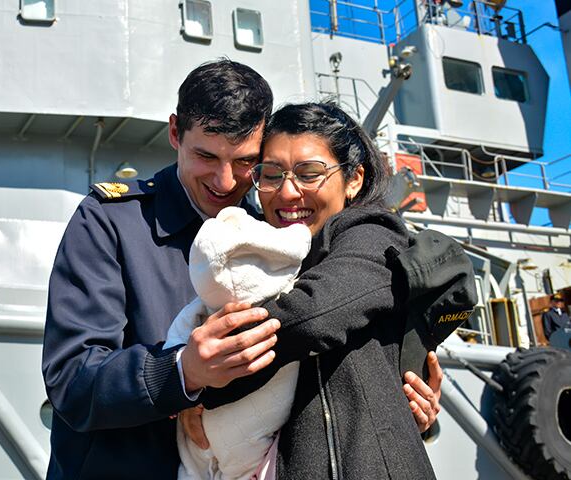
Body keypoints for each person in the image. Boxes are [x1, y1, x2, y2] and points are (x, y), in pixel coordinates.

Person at [42, 61, 443, 479]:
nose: (225, 180)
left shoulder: (282, 229)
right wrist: (183, 371)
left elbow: (312, 387)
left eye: (246, 163)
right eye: (206, 156)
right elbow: (71, 380)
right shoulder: (110, 222)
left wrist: (407, 410)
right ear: (175, 133)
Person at [189, 102, 460, 479]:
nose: (287, 192)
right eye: (271, 174)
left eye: (309, 172)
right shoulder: (270, 254)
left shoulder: (371, 235)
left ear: (354, 180)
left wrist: (200, 383)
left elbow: (313, 317)